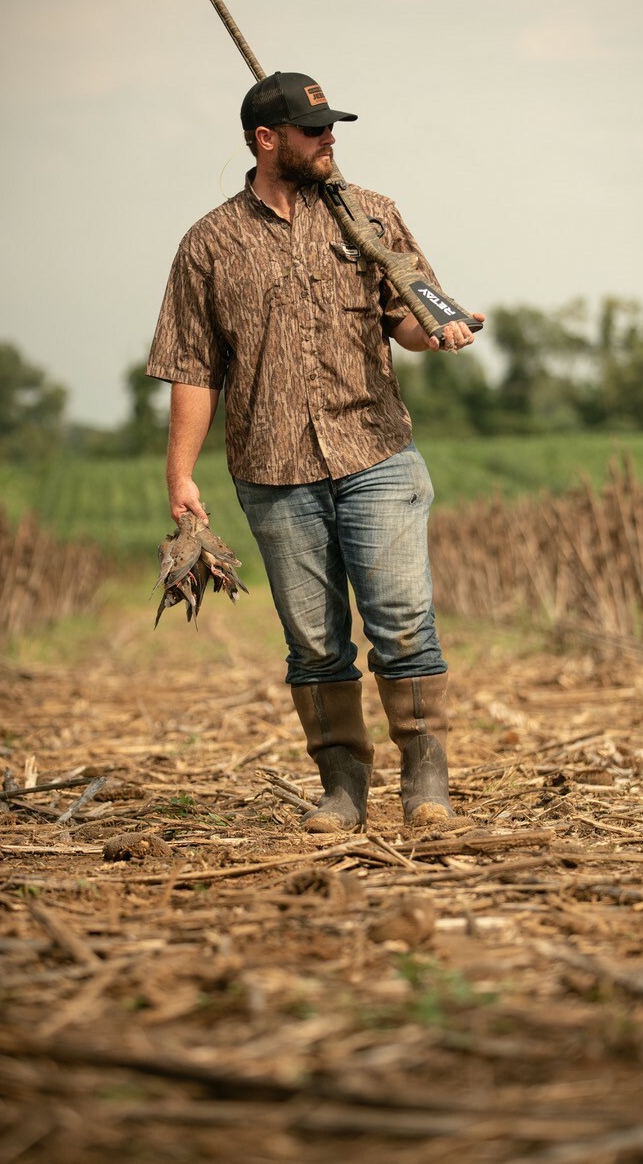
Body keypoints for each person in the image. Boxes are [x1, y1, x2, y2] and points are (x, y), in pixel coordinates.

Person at [147, 70, 483, 833]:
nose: (329, 137)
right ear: (266, 140)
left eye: (331, 126)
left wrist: (439, 328)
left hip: (377, 451)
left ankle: (426, 785)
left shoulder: (372, 216)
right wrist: (179, 476)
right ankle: (343, 792)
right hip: (272, 471)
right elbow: (195, 368)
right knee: (315, 641)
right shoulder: (208, 244)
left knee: (401, 621)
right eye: (312, 129)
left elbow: (407, 312)